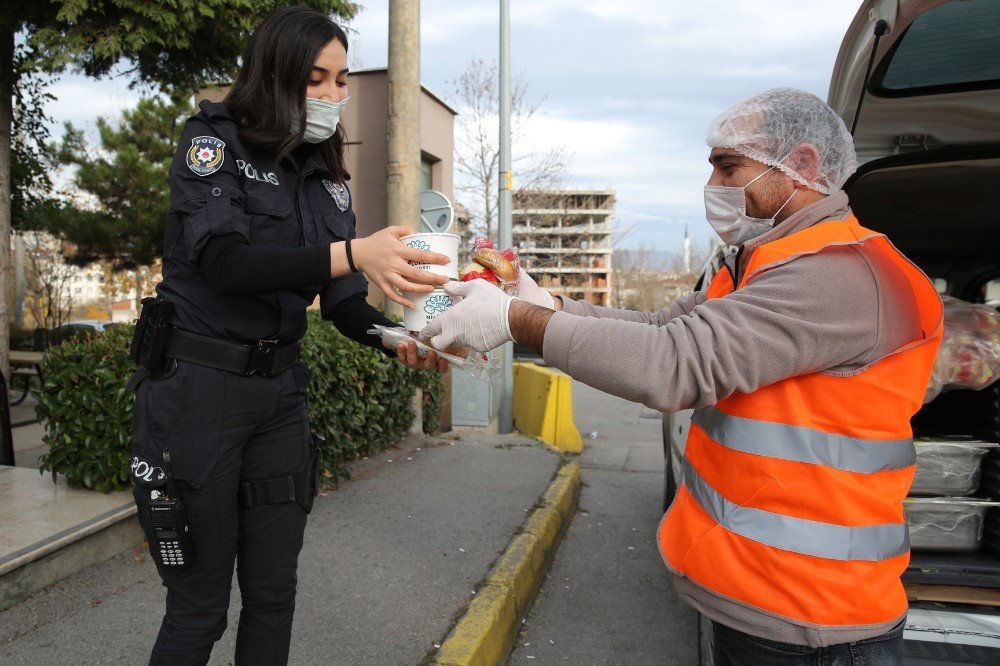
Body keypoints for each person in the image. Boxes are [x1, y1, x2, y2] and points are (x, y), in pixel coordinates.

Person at [422, 88, 943, 665]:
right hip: (766, 601)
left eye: (729, 165)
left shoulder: (840, 275)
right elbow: (663, 325)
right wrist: (549, 304)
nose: (714, 184)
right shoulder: (768, 261)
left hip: (814, 624)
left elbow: (673, 363)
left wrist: (515, 319)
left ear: (802, 166)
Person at [128, 7, 448, 665]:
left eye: (340, 81)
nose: (333, 96)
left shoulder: (324, 177)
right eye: (316, 79)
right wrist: (354, 253)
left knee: (275, 598)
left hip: (278, 402)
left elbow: (344, 303)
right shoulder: (210, 142)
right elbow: (225, 262)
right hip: (199, 398)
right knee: (198, 613)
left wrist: (399, 338)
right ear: (276, 74)